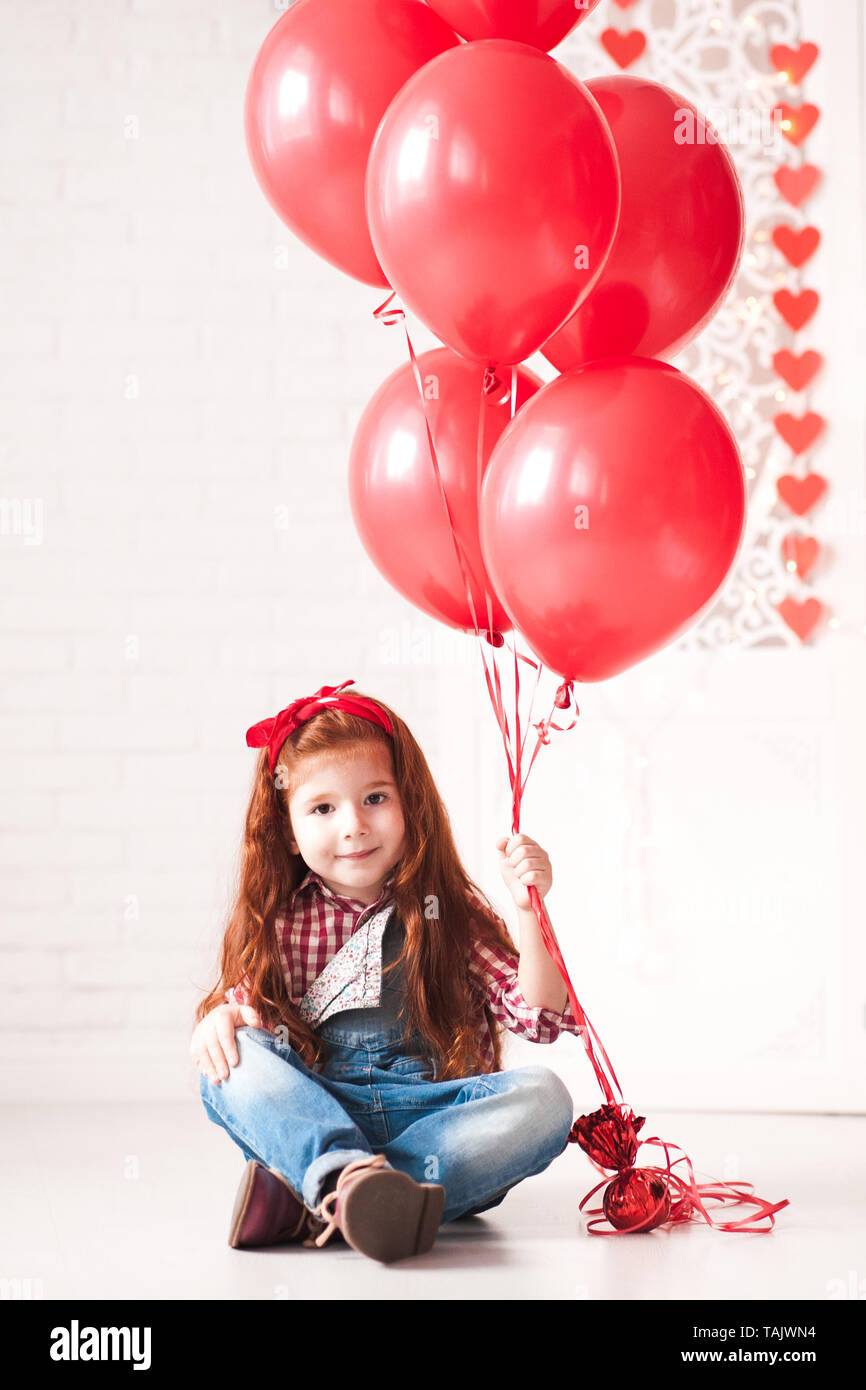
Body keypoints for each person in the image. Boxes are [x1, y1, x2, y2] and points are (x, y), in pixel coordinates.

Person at [190, 679, 582, 1264]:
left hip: (435, 1119)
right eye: (323, 808)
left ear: (409, 805)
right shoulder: (281, 923)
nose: (353, 824)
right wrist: (219, 1022)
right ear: (289, 832)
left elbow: (540, 1017)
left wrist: (529, 911)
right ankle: (347, 1175)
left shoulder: (447, 910)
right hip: (324, 1108)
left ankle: (325, 1194)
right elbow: (248, 1024)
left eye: (375, 798)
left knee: (546, 1098)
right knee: (230, 1062)